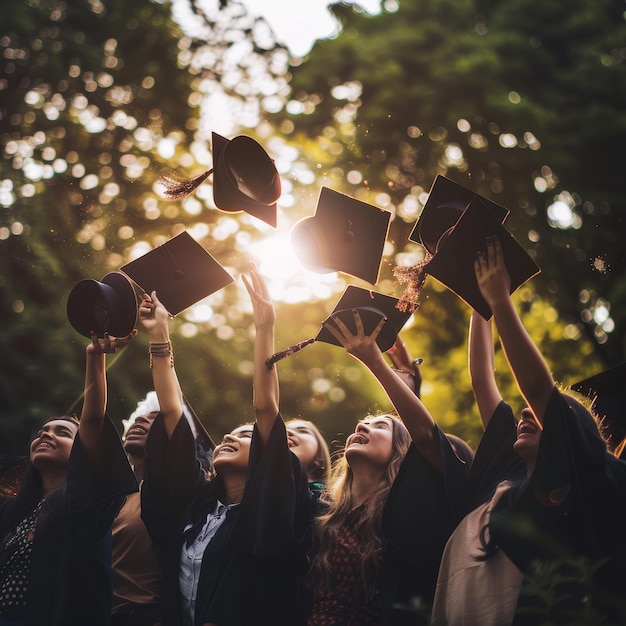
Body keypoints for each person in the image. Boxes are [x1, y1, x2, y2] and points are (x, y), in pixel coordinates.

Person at [431, 236, 626, 625]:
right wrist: (480, 304)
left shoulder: (591, 477)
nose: (524, 410)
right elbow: (482, 381)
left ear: (571, 432)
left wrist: (501, 300)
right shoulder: (508, 478)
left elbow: (538, 390)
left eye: (541, 417)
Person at [137, 262, 313, 626]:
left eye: (246, 435)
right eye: (231, 433)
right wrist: (159, 336)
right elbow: (172, 411)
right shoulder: (197, 507)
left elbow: (266, 408)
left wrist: (265, 327)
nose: (231, 435)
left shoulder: (271, 513)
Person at [306, 309, 473, 625]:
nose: (362, 425)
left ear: (402, 452)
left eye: (380, 425)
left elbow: (424, 436)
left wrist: (375, 363)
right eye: (364, 421)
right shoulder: (321, 510)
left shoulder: (408, 513)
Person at [0, 332, 138, 626]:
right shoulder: (12, 511)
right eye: (42, 432)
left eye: (62, 432)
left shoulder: (83, 505)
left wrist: (94, 357)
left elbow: (93, 421)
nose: (45, 434)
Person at [111, 391, 163, 626]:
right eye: (139, 417)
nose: (140, 419)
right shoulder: (106, 497)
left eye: (155, 417)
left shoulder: (178, 496)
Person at [285, 419, 331, 496]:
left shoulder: (329, 498)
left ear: (319, 458)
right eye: (283, 430)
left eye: (302, 431)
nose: (287, 432)